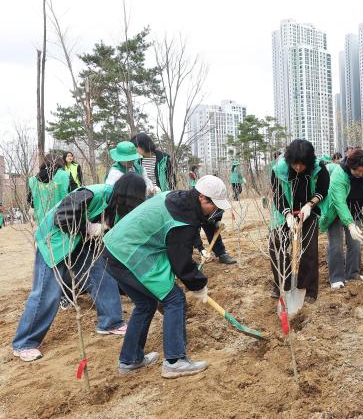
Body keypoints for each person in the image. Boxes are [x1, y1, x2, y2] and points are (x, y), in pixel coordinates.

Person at [102, 175, 231, 378]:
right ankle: (175, 361)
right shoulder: (183, 217)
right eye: (213, 206)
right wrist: (198, 284)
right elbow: (181, 262)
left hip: (113, 250)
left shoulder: (176, 198)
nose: (215, 212)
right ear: (202, 198)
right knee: (174, 299)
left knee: (146, 304)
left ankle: (130, 360)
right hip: (129, 254)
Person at [12, 173, 146, 362]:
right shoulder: (92, 193)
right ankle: (24, 343)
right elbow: (63, 215)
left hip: (81, 243)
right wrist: (88, 227)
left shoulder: (119, 206)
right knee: (47, 293)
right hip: (55, 241)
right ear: (122, 193)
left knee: (103, 274)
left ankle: (110, 322)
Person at [269, 139, 329, 302]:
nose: (298, 168)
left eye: (302, 165)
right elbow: (277, 195)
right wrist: (288, 214)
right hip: (285, 210)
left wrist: (310, 205)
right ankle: (283, 283)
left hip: (308, 211)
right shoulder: (278, 169)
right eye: (295, 164)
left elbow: (323, 190)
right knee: (276, 245)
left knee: (309, 249)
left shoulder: (319, 168)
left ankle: (308, 288)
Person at [319, 149, 363, 289]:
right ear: (351, 166)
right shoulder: (339, 174)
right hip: (336, 211)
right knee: (336, 245)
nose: (361, 174)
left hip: (356, 210)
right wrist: (349, 224)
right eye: (358, 171)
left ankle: (353, 273)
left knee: (355, 244)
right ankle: (336, 278)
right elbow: (339, 202)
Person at [28, 154, 71, 224]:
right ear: (59, 163)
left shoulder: (33, 180)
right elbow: (75, 195)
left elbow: (31, 201)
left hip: (41, 223)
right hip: (62, 220)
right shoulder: (64, 175)